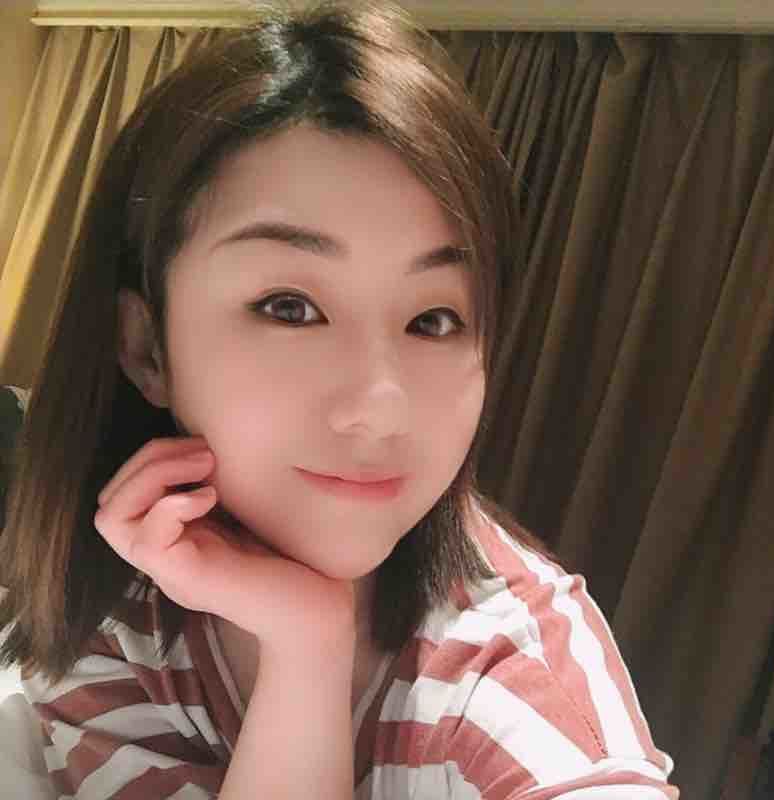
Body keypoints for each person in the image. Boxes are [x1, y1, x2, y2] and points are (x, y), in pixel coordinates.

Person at [0, 2, 679, 797]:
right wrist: (305, 648)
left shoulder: (516, 677)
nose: (382, 408)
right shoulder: (113, 615)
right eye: (290, 307)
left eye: (434, 319)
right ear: (148, 347)